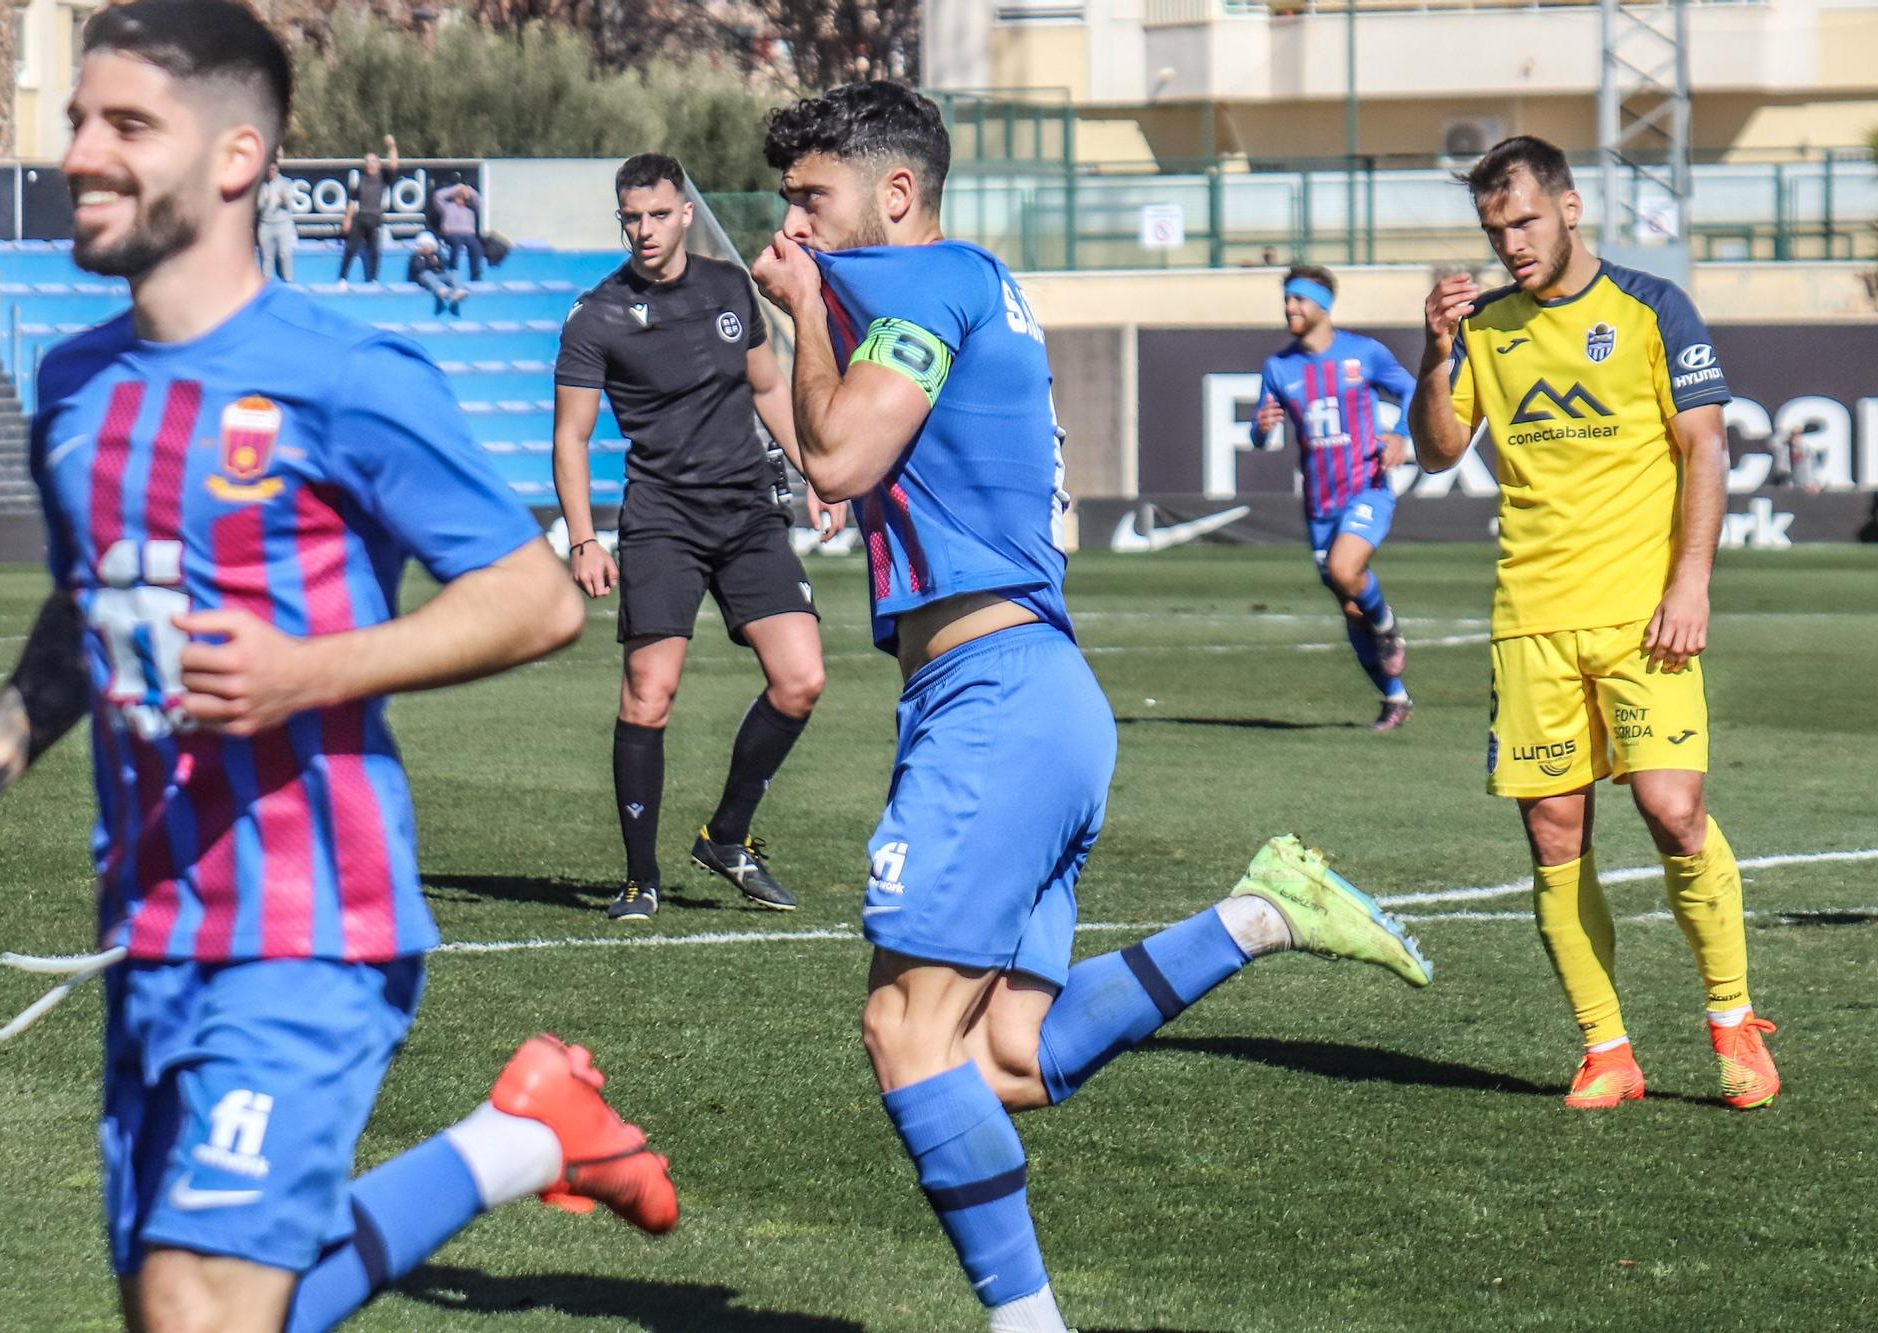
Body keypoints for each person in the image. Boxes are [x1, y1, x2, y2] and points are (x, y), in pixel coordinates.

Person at [0, 6, 678, 1330]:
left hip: (308, 922)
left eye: (127, 125)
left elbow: (536, 600)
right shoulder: (77, 386)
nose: (81, 153)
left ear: (238, 156)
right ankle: (517, 1139)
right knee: (191, 1310)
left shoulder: (345, 377)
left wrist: (310, 671)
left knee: (202, 1307)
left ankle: (517, 1138)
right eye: (79, 120)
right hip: (148, 929)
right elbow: (92, 609)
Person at [751, 80, 1431, 1333]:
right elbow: (832, 436)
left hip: (992, 700)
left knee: (905, 1032)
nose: (792, 221)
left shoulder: (918, 282)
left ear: (893, 193)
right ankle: (1256, 914)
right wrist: (787, 327)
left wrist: (798, 305)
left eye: (811, 197)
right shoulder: (961, 285)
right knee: (1005, 1058)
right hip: (1038, 698)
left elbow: (837, 459)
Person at [1408, 134, 1779, 1112]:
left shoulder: (1652, 307)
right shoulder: (1485, 327)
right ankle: (1604, 1048)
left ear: (1569, 209)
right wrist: (1433, 352)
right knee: (1554, 831)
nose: (1511, 245)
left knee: (1670, 811)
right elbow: (1439, 449)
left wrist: (1688, 582)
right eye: (1494, 231)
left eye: (1523, 221)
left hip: (1641, 615)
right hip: (1529, 619)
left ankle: (1732, 1020)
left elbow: (1702, 448)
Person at [553, 152, 847, 923]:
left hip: (748, 510)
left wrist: (815, 471)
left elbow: (765, 385)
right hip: (662, 521)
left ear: (684, 212)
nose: (644, 230)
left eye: (657, 214)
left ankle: (727, 835)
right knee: (649, 695)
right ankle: (639, 879)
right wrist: (585, 539)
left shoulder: (727, 289)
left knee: (801, 679)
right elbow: (571, 437)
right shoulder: (597, 316)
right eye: (631, 218)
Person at [1250, 264, 1417, 730]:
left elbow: (1412, 390)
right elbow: (1261, 432)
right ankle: (1394, 697)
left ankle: (1386, 623)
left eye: (1298, 299)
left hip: (1367, 487)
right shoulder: (1279, 368)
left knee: (1347, 570)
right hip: (1320, 504)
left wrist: (1401, 435)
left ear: (1322, 305)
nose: (1290, 308)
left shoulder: (1363, 354)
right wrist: (1261, 430)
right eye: (1287, 300)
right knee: (1348, 603)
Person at [336, 133, 397, 286]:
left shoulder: (383, 177)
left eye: (373, 161)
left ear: (378, 164)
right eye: (368, 162)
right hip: (360, 216)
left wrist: (391, 146)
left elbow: (394, 165)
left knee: (375, 250)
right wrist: (347, 219)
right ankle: (342, 278)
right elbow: (352, 200)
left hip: (375, 217)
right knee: (350, 248)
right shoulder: (361, 180)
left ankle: (373, 279)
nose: (370, 164)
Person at [434, 172, 486, 283]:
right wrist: (456, 188)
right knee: (456, 244)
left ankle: (475, 276)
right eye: (458, 196)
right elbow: (438, 196)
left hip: (468, 235)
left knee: (476, 247)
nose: (460, 199)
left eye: (462, 197)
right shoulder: (447, 207)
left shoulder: (471, 209)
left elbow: (479, 200)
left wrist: (468, 190)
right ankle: (453, 272)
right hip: (451, 234)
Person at [255, 155, 297, 282]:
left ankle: (287, 282)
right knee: (266, 257)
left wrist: (284, 199)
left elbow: (290, 206)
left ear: (277, 169)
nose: (271, 172)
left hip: (283, 224)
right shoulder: (260, 185)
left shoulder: (286, 183)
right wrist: (264, 200)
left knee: (284, 254)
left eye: (273, 169)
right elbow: (257, 207)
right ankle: (266, 285)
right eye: (268, 169)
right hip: (266, 224)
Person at [407, 230, 466, 314]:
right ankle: (440, 289)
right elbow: (418, 269)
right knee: (427, 274)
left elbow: (444, 265)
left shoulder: (436, 255)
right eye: (423, 246)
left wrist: (438, 262)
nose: (426, 248)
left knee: (452, 273)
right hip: (423, 278)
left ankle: (458, 290)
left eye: (428, 246)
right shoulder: (416, 256)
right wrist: (426, 260)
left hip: (438, 275)